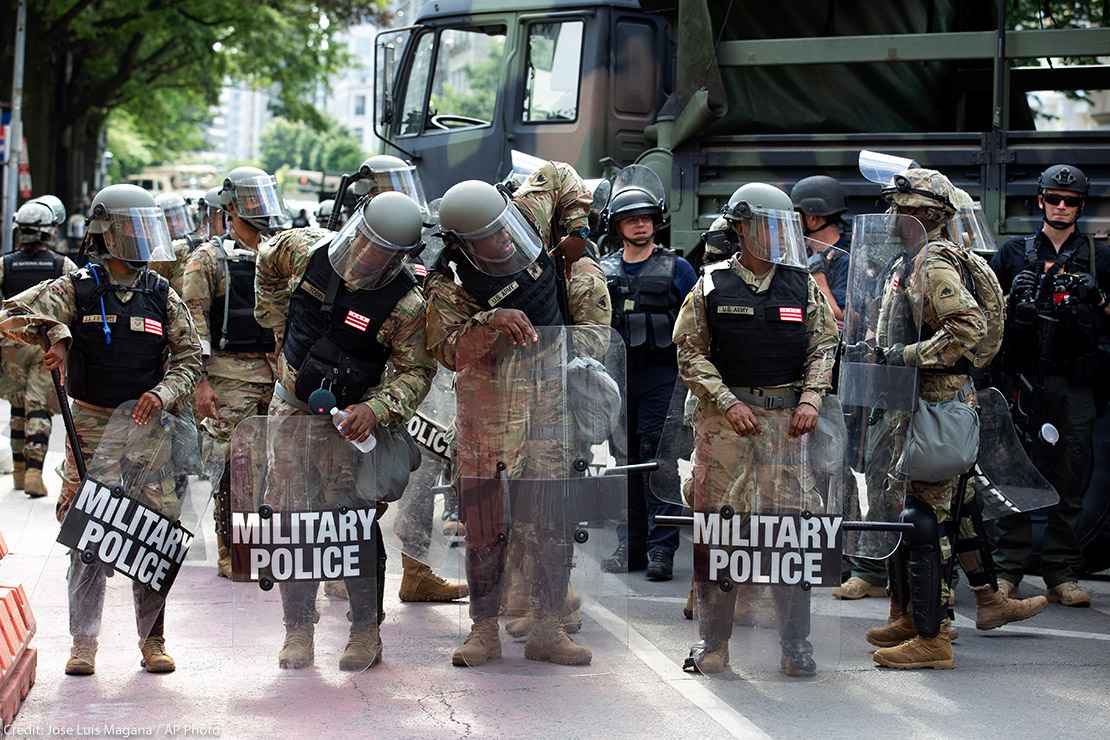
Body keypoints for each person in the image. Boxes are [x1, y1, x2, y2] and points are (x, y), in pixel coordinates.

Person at [0, 183, 202, 675]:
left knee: (153, 538)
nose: (138, 240)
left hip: (148, 429)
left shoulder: (160, 291)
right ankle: (83, 644)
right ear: (104, 233)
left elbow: (191, 356)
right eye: (129, 229)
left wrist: (165, 393)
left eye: (143, 229)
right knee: (88, 538)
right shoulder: (76, 286)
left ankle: (153, 641)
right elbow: (12, 315)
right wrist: (59, 335)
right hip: (90, 425)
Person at [426, 161, 612, 667]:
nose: (503, 242)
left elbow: (558, 172)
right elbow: (445, 348)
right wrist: (489, 321)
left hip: (550, 399)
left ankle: (548, 629)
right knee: (486, 523)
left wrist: (576, 228)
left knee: (551, 518)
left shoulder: (525, 212)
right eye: (488, 239)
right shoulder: (449, 281)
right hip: (488, 409)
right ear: (463, 243)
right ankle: (483, 630)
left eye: (504, 230)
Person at [254, 190, 435, 671]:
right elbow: (265, 259)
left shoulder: (407, 304)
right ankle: (297, 630)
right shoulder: (306, 249)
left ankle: (364, 631)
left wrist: (377, 408)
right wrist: (274, 325)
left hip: (349, 426)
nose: (366, 254)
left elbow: (417, 372)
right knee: (295, 521)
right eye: (365, 241)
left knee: (351, 522)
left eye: (380, 250)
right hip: (291, 412)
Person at [674, 182, 838, 676]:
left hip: (788, 428)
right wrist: (725, 402)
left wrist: (811, 398)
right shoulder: (709, 284)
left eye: (780, 226)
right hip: (726, 429)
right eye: (765, 225)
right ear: (741, 228)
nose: (774, 236)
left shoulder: (801, 283)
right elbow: (689, 352)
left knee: (792, 537)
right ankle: (714, 644)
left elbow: (823, 344)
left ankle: (795, 646)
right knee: (721, 534)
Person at [989, 164, 1110, 608]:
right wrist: (1010, 296)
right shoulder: (1014, 252)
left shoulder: (1099, 257)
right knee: (1015, 473)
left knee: (1071, 475)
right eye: (1054, 198)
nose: (1061, 207)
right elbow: (981, 320)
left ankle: (1061, 572)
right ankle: (1007, 572)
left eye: (1071, 201)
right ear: (1039, 200)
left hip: (1074, 382)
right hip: (1023, 380)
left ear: (1081, 206)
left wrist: (1096, 297)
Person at [182, 167, 282, 578]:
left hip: (275, 375)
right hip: (227, 376)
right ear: (230, 207)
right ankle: (234, 551)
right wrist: (200, 382)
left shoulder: (279, 251)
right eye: (249, 201)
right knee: (232, 465)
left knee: (274, 466)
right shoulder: (208, 257)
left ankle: (266, 544)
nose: (258, 210)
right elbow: (192, 322)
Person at [598, 170, 696, 580]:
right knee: (624, 462)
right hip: (619, 380)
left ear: (656, 222)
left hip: (663, 379)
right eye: (630, 219)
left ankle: (661, 549)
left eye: (646, 218)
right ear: (618, 226)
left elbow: (695, 326)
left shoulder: (679, 269)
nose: (640, 224)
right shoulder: (602, 270)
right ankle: (629, 544)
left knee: (659, 463)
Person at [0, 200, 80, 497]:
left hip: (11, 344)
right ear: (50, 232)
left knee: (18, 404)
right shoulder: (63, 265)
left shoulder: (5, 263)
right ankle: (35, 470)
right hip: (46, 342)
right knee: (39, 408)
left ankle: (19, 472)